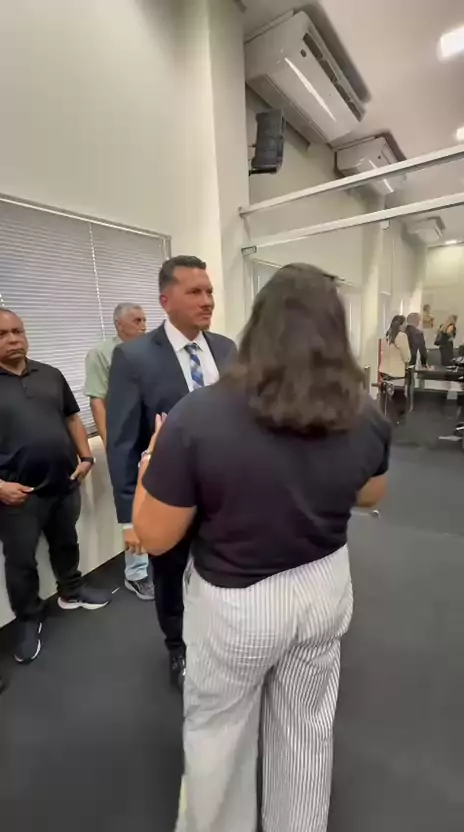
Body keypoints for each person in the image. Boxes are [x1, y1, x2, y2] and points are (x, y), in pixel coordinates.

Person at [132, 263, 391, 832]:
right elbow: (371, 492)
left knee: (218, 734)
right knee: (306, 728)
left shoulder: (196, 416)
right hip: (325, 588)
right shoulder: (364, 413)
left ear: (258, 327)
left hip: (237, 603)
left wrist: (152, 459)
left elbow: (154, 536)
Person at [106, 255, 236, 689]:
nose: (207, 301)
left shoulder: (226, 349)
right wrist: (129, 517)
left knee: (224, 571)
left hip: (227, 494)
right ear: (166, 300)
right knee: (170, 575)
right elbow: (122, 442)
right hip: (169, 495)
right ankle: (178, 647)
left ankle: (220, 638)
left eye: (209, 291)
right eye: (195, 292)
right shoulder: (134, 357)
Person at [0, 308, 111, 664]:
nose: (13, 339)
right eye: (3, 334)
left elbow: (72, 417)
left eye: (17, 331)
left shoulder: (50, 374)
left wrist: (86, 457)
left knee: (66, 542)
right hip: (17, 495)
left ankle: (71, 591)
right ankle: (28, 619)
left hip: (64, 482)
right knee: (21, 562)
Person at [84, 303, 153, 601]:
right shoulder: (102, 354)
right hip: (126, 441)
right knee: (131, 507)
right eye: (136, 320)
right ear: (119, 325)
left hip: (154, 437)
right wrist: (112, 444)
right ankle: (136, 574)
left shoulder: (152, 351)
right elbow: (97, 400)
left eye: (144, 319)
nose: (143, 325)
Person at [379, 314, 411, 422]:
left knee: (386, 396)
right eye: (405, 323)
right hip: (396, 373)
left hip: (384, 371)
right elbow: (407, 357)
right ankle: (398, 419)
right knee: (400, 397)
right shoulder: (402, 336)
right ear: (401, 324)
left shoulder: (387, 336)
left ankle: (386, 416)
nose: (406, 325)